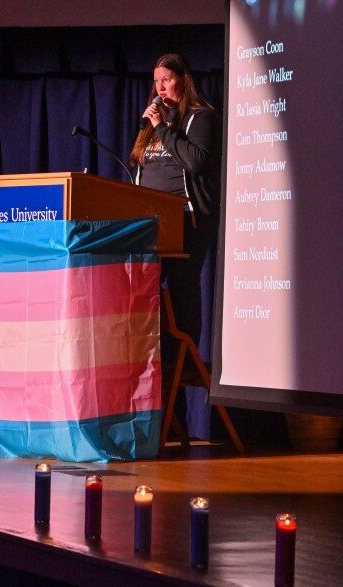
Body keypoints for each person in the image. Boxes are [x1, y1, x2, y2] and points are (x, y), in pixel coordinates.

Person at [130, 53, 222, 436]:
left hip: (187, 221)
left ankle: (184, 364)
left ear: (183, 80)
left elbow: (196, 162)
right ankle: (152, 376)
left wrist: (163, 128)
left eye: (166, 79)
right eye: (156, 81)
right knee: (147, 297)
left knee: (182, 290)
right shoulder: (152, 128)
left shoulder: (200, 118)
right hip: (149, 224)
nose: (160, 87)